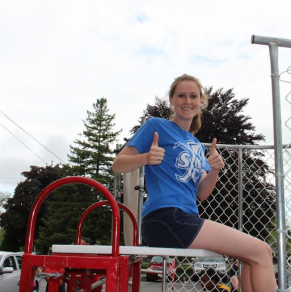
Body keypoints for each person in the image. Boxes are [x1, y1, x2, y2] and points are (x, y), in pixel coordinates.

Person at [112, 74, 277, 292]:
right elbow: (118, 165)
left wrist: (215, 169)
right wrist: (145, 158)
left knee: (249, 258)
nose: (187, 101)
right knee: (262, 251)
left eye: (193, 96)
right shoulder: (156, 126)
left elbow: (202, 193)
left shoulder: (197, 145)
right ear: (171, 99)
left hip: (185, 219)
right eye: (181, 95)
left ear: (201, 102)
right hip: (164, 217)